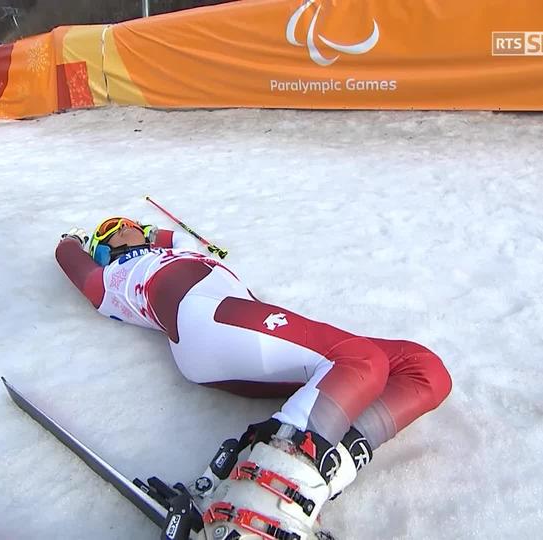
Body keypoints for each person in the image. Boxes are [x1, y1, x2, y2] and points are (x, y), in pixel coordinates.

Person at [56, 217, 452, 539]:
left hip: (237, 322)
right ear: (105, 248)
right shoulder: (119, 276)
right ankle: (251, 512)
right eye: (113, 226)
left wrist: (148, 231)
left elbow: (174, 235)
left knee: (423, 370)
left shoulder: (176, 250)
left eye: (132, 223)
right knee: (359, 360)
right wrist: (70, 240)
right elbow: (81, 272)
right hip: (205, 317)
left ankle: (298, 489)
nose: (128, 226)